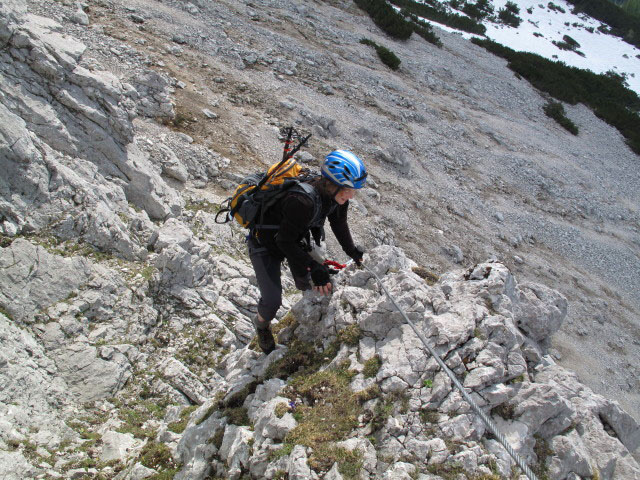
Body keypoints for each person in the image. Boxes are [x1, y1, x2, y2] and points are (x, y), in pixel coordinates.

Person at [248, 150, 367, 354]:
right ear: (333, 183)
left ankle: (304, 311)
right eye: (348, 189)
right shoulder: (302, 200)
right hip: (265, 244)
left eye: (353, 190)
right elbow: (284, 241)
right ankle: (261, 325)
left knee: (307, 282)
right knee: (272, 299)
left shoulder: (336, 196)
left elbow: (339, 223)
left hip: (295, 236)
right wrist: (313, 266)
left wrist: (352, 251)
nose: (351, 195)